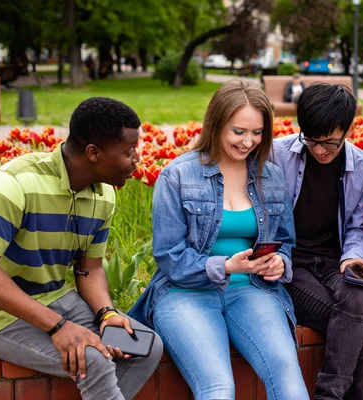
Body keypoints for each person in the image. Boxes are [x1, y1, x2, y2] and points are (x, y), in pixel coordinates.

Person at [128, 79, 309, 400]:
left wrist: (279, 263)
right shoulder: (178, 175)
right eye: (238, 131)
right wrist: (224, 266)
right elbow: (169, 257)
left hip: (252, 291)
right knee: (217, 387)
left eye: (257, 133)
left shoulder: (271, 175)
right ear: (216, 124)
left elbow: (284, 240)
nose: (248, 142)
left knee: (286, 372)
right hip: (185, 293)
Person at [0, 97, 163, 400]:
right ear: (93, 153)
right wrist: (59, 327)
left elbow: (90, 268)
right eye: (128, 151)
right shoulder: (14, 185)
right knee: (92, 358)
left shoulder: (103, 195)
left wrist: (106, 313)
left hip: (55, 297)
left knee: (145, 346)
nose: (137, 158)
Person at [272, 83, 363, 400]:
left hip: (336, 262)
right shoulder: (275, 156)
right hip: (291, 265)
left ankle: (328, 395)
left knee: (357, 294)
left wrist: (353, 257)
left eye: (330, 143)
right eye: (312, 140)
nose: (320, 150)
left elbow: (360, 227)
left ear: (349, 128)